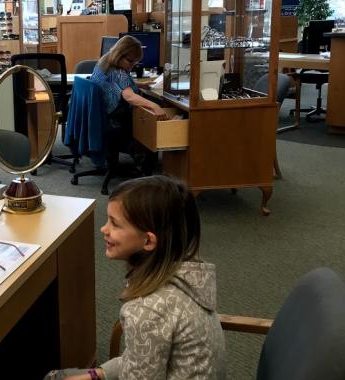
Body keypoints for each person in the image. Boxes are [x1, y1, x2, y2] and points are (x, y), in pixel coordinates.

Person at [45, 175, 225, 380]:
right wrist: (98, 374)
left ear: (148, 241)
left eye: (115, 224)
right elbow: (143, 359)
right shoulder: (190, 276)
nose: (104, 229)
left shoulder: (147, 309)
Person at [90, 35, 165, 173]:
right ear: (120, 55)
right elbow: (129, 97)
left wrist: (139, 84)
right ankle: (146, 172)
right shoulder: (119, 73)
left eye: (135, 62)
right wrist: (155, 106)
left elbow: (113, 85)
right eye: (130, 61)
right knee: (149, 126)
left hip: (101, 116)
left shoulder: (104, 61)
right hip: (115, 120)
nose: (132, 65)